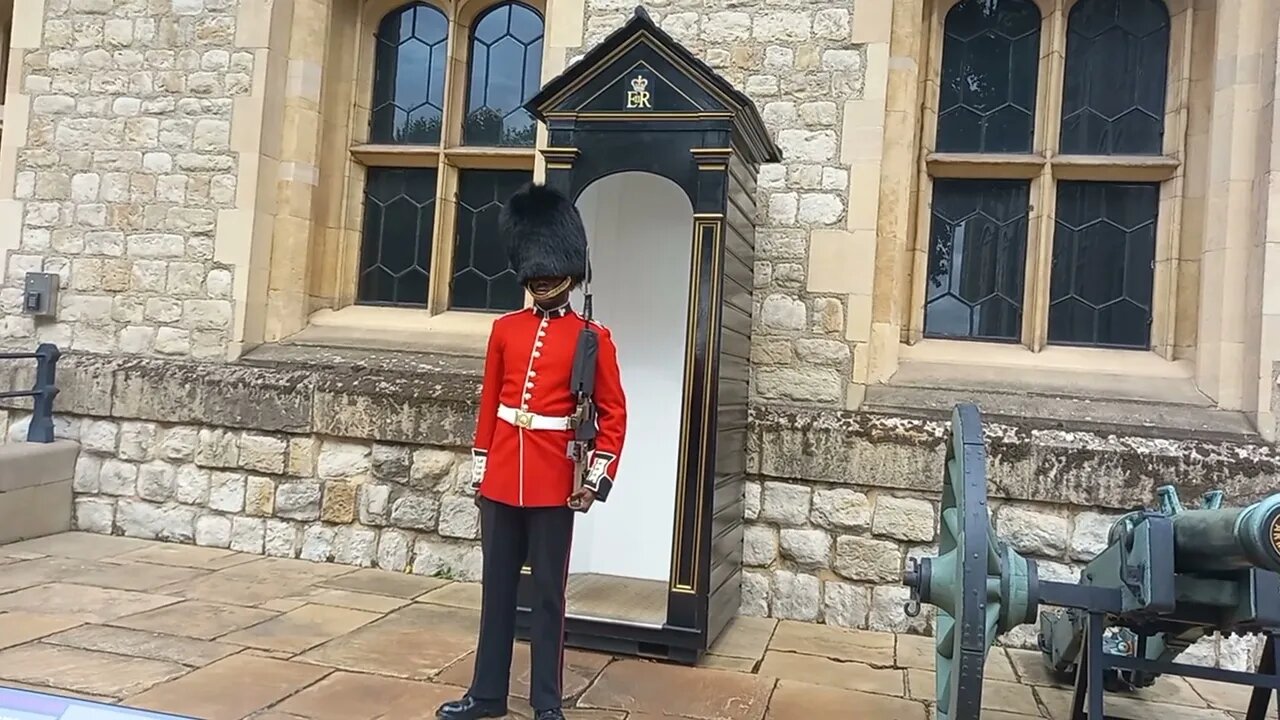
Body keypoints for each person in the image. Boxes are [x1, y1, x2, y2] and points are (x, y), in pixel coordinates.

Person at [436, 182, 627, 720]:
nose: (543, 278)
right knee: (496, 593)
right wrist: (481, 469)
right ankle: (487, 695)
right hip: (502, 478)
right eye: (536, 269)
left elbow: (613, 414)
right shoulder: (505, 330)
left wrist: (596, 478)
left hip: (553, 483)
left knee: (548, 597)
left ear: (569, 267)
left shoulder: (594, 338)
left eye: (551, 268)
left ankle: (546, 702)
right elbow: (489, 405)